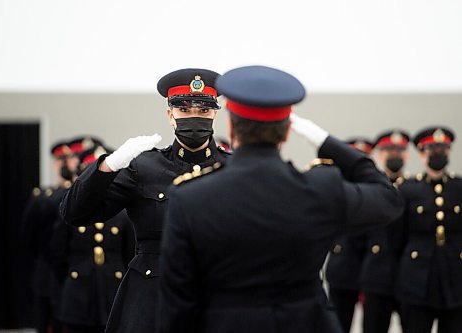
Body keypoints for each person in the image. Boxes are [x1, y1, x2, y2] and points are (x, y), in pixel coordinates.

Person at [157, 65, 404, 333]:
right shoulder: (320, 189)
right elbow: (387, 199)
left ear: (230, 125)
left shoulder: (190, 197)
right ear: (288, 131)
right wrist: (326, 141)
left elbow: (178, 303)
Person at [59, 68, 230, 333]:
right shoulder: (144, 168)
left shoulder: (232, 169)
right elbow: (74, 213)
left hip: (219, 297)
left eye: (204, 111)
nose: (194, 117)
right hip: (152, 300)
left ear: (215, 114)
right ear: (170, 114)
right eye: (184, 110)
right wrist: (108, 166)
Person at [51, 145, 135, 333]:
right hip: (78, 292)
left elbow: (130, 253)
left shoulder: (123, 214)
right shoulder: (70, 210)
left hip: (112, 289)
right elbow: (57, 254)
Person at [396, 126, 462, 333]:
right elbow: (397, 236)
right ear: (421, 152)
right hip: (417, 279)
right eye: (432, 148)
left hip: (455, 278)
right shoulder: (407, 189)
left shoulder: (459, 188)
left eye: (443, 148)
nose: (438, 153)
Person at [22, 140, 78, 333]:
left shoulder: (81, 195)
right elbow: (29, 237)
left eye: (69, 159)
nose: (64, 164)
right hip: (48, 273)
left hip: (77, 272)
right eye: (60, 160)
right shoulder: (43, 197)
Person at [360, 130, 410, 333]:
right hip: (376, 275)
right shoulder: (369, 189)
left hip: (409, 277)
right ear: (379, 154)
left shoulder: (413, 189)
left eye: (400, 150)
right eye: (389, 150)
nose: (394, 155)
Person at [325, 137, 373, 332]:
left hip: (374, 268)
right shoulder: (335, 187)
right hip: (343, 267)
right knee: (339, 325)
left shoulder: (374, 190)